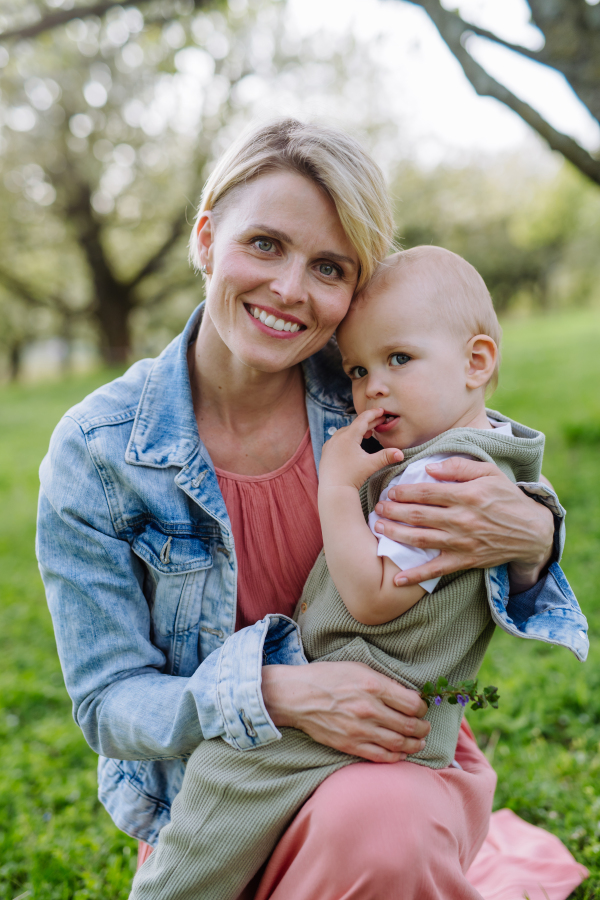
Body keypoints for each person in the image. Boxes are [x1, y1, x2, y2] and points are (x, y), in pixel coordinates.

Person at [37, 120, 572, 900]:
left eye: (328, 266)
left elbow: (488, 457)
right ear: (207, 237)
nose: (290, 288)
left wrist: (536, 531)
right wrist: (278, 692)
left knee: (383, 830)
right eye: (264, 245)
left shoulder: (370, 391)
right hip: (222, 785)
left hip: (382, 766)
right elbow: (107, 702)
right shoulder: (99, 450)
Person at [128, 247, 588, 900]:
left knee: (227, 773)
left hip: (372, 697)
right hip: (402, 711)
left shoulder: (436, 479)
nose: (372, 386)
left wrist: (339, 490)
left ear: (477, 362)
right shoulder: (489, 455)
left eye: (399, 359)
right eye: (358, 369)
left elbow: (372, 599)